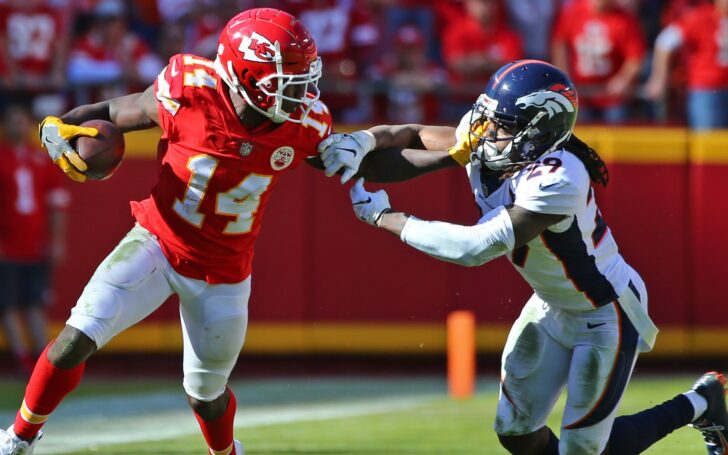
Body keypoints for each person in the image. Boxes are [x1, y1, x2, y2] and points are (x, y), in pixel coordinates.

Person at [318, 60, 728, 454]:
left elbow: (473, 248)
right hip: (551, 304)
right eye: (487, 118)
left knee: (583, 448)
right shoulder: (493, 139)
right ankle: (702, 402)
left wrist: (384, 217)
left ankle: (701, 403)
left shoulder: (559, 177)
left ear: (540, 131)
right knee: (515, 432)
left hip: (606, 312)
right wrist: (362, 142)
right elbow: (412, 136)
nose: (485, 131)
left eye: (502, 125)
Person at [0, 8, 332, 455]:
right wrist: (59, 126)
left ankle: (226, 452)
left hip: (223, 273)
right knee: (74, 339)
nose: (300, 93)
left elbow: (374, 154)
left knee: (206, 395)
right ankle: (18, 439)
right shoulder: (189, 87)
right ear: (245, 76)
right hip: (157, 241)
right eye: (284, 81)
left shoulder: (305, 124)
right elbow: (118, 110)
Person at [0, 103, 69, 375]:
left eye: (22, 121)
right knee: (8, 303)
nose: (18, 126)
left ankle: (44, 359)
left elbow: (57, 203)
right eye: (12, 121)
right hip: (7, 245)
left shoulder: (41, 159)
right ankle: (21, 357)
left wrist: (57, 240)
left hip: (35, 242)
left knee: (35, 302)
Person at [551, 0, 646, 124]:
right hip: (579, 93)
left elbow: (635, 57)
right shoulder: (574, 11)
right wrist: (564, 74)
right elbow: (560, 42)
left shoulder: (625, 20)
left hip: (612, 97)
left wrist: (623, 80)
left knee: (615, 135)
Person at [644, 0, 728, 129]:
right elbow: (665, 42)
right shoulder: (701, 17)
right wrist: (659, 78)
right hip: (706, 90)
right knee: (706, 142)